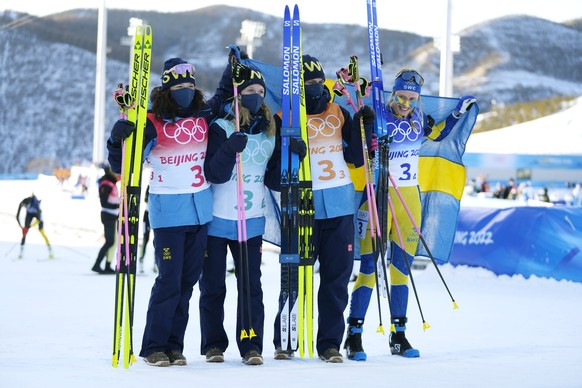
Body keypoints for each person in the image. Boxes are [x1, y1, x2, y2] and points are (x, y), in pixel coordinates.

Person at [107, 55, 237, 367]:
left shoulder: (203, 115)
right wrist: (117, 139)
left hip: (200, 212)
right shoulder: (152, 123)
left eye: (190, 87)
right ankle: (154, 346)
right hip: (169, 214)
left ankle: (174, 346)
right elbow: (123, 167)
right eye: (179, 87)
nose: (186, 92)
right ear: (167, 90)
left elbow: (223, 94)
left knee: (187, 282)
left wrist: (233, 66)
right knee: (169, 280)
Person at [344, 69, 476, 360]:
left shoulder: (418, 118)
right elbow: (356, 137)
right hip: (377, 198)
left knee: (401, 269)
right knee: (368, 269)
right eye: (402, 97)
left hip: (408, 201)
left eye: (412, 98)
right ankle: (354, 335)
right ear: (393, 95)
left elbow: (438, 134)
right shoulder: (377, 115)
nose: (406, 103)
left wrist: (456, 114)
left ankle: (399, 335)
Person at [272, 54, 374, 363]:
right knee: (296, 276)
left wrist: (363, 125)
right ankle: (285, 339)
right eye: (308, 85)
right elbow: (274, 176)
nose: (315, 89)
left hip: (340, 205)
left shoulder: (339, 112)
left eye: (318, 83)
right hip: (303, 206)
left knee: (336, 279)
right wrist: (292, 155)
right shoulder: (282, 119)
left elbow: (357, 158)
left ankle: (329, 343)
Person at [199, 66, 300, 365]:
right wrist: (230, 148)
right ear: (238, 94)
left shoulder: (270, 127)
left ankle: (250, 344)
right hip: (218, 219)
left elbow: (272, 180)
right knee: (214, 286)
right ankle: (214, 344)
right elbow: (214, 174)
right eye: (249, 91)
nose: (256, 96)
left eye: (260, 91)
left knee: (250, 285)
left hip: (251, 219)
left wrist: (292, 157)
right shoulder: (221, 126)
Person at [91, 163, 119, 274]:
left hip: (113, 215)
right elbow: (104, 203)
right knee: (110, 241)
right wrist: (117, 205)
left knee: (114, 242)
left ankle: (107, 265)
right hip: (108, 215)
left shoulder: (111, 182)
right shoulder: (106, 183)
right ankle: (97, 264)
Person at [16, 194, 52, 259]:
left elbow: (37, 220)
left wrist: (29, 226)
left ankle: (50, 251)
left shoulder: (36, 205)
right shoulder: (23, 203)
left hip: (37, 215)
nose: (25, 207)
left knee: (42, 232)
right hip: (29, 215)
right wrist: (22, 227)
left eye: (26, 206)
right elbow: (17, 216)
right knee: (24, 233)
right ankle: (21, 253)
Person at [138, 186, 153, 274]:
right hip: (148, 214)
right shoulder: (150, 185)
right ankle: (141, 261)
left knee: (158, 239)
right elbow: (145, 199)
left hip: (158, 214)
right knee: (145, 238)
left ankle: (156, 264)